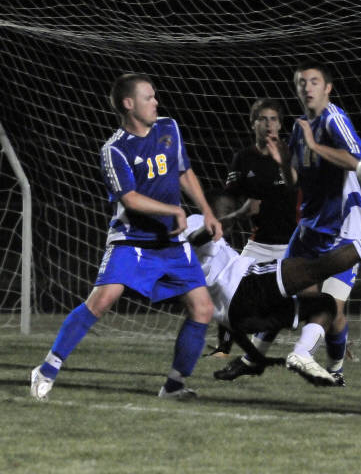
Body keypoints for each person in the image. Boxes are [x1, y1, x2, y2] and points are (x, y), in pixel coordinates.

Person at [30, 73, 223, 401]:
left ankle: (174, 385)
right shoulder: (114, 149)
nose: (156, 102)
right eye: (149, 97)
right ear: (129, 104)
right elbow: (130, 199)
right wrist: (173, 210)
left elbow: (184, 172)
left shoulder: (169, 128)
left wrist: (206, 211)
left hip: (171, 241)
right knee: (102, 300)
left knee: (203, 309)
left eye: (155, 96)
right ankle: (46, 369)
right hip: (132, 240)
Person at [218, 59, 361, 386]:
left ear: (327, 88)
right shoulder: (301, 128)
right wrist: (283, 163)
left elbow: (357, 160)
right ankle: (252, 360)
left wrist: (315, 146)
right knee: (281, 290)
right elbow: (295, 182)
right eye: (301, 82)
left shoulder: (333, 119)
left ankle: (333, 368)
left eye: (314, 81)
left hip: (345, 227)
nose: (307, 87)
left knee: (333, 306)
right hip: (311, 227)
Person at [186, 192, 361, 385]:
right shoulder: (193, 221)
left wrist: (256, 357)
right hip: (245, 286)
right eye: (225, 209)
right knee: (318, 267)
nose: (228, 213)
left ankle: (302, 353)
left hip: (240, 317)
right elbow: (197, 237)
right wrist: (233, 216)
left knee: (324, 304)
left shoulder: (191, 257)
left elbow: (230, 324)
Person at [208, 98, 298, 366]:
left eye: (273, 119)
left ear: (280, 125)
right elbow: (230, 197)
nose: (269, 124)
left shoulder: (290, 154)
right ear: (253, 124)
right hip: (259, 242)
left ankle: (337, 344)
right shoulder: (243, 159)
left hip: (294, 244)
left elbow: (298, 188)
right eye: (263, 119)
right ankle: (223, 348)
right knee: (229, 289)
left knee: (309, 297)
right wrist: (232, 215)